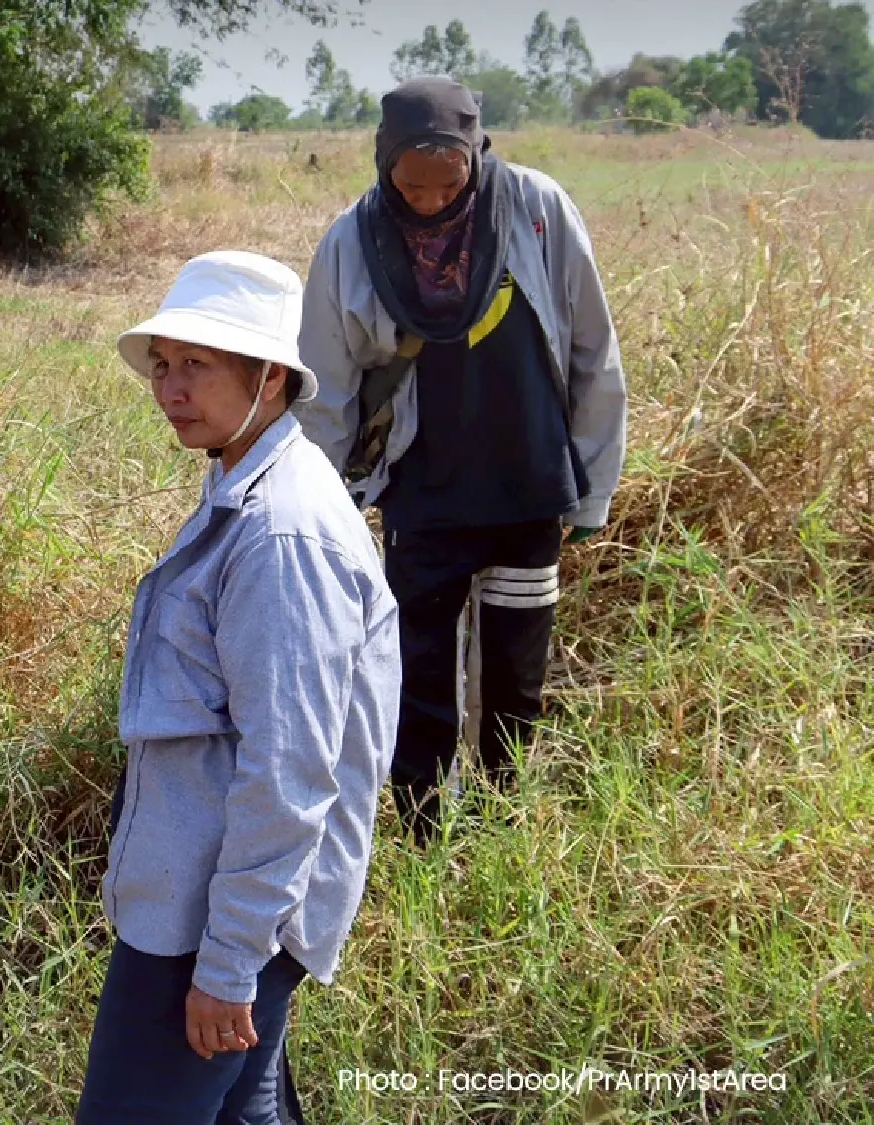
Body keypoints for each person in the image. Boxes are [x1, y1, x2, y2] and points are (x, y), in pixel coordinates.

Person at [78, 251, 399, 1124]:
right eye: (163, 365)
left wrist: (227, 966)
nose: (171, 388)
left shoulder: (283, 534)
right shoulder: (240, 479)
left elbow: (290, 773)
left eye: (199, 365)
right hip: (205, 901)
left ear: (269, 376)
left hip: (216, 923)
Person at [296, 77, 628, 842]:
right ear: (383, 165)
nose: (430, 200)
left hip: (528, 485)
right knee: (419, 672)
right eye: (410, 186)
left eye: (449, 183)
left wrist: (593, 487)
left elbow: (592, 353)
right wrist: (322, 508)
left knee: (516, 671)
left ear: (477, 158)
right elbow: (327, 388)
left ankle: (501, 816)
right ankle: (423, 828)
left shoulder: (539, 210)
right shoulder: (352, 241)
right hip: (424, 493)